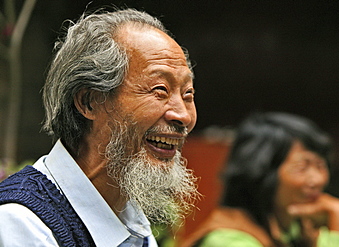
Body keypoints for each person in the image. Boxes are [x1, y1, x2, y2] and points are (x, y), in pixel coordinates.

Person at [0, 8, 199, 247]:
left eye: (188, 94)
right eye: (160, 90)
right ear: (89, 102)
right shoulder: (22, 224)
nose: (183, 115)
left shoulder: (132, 220)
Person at [182, 112, 339, 247]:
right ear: (260, 173)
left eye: (321, 166)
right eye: (302, 167)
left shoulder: (300, 232)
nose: (317, 179)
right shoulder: (227, 240)